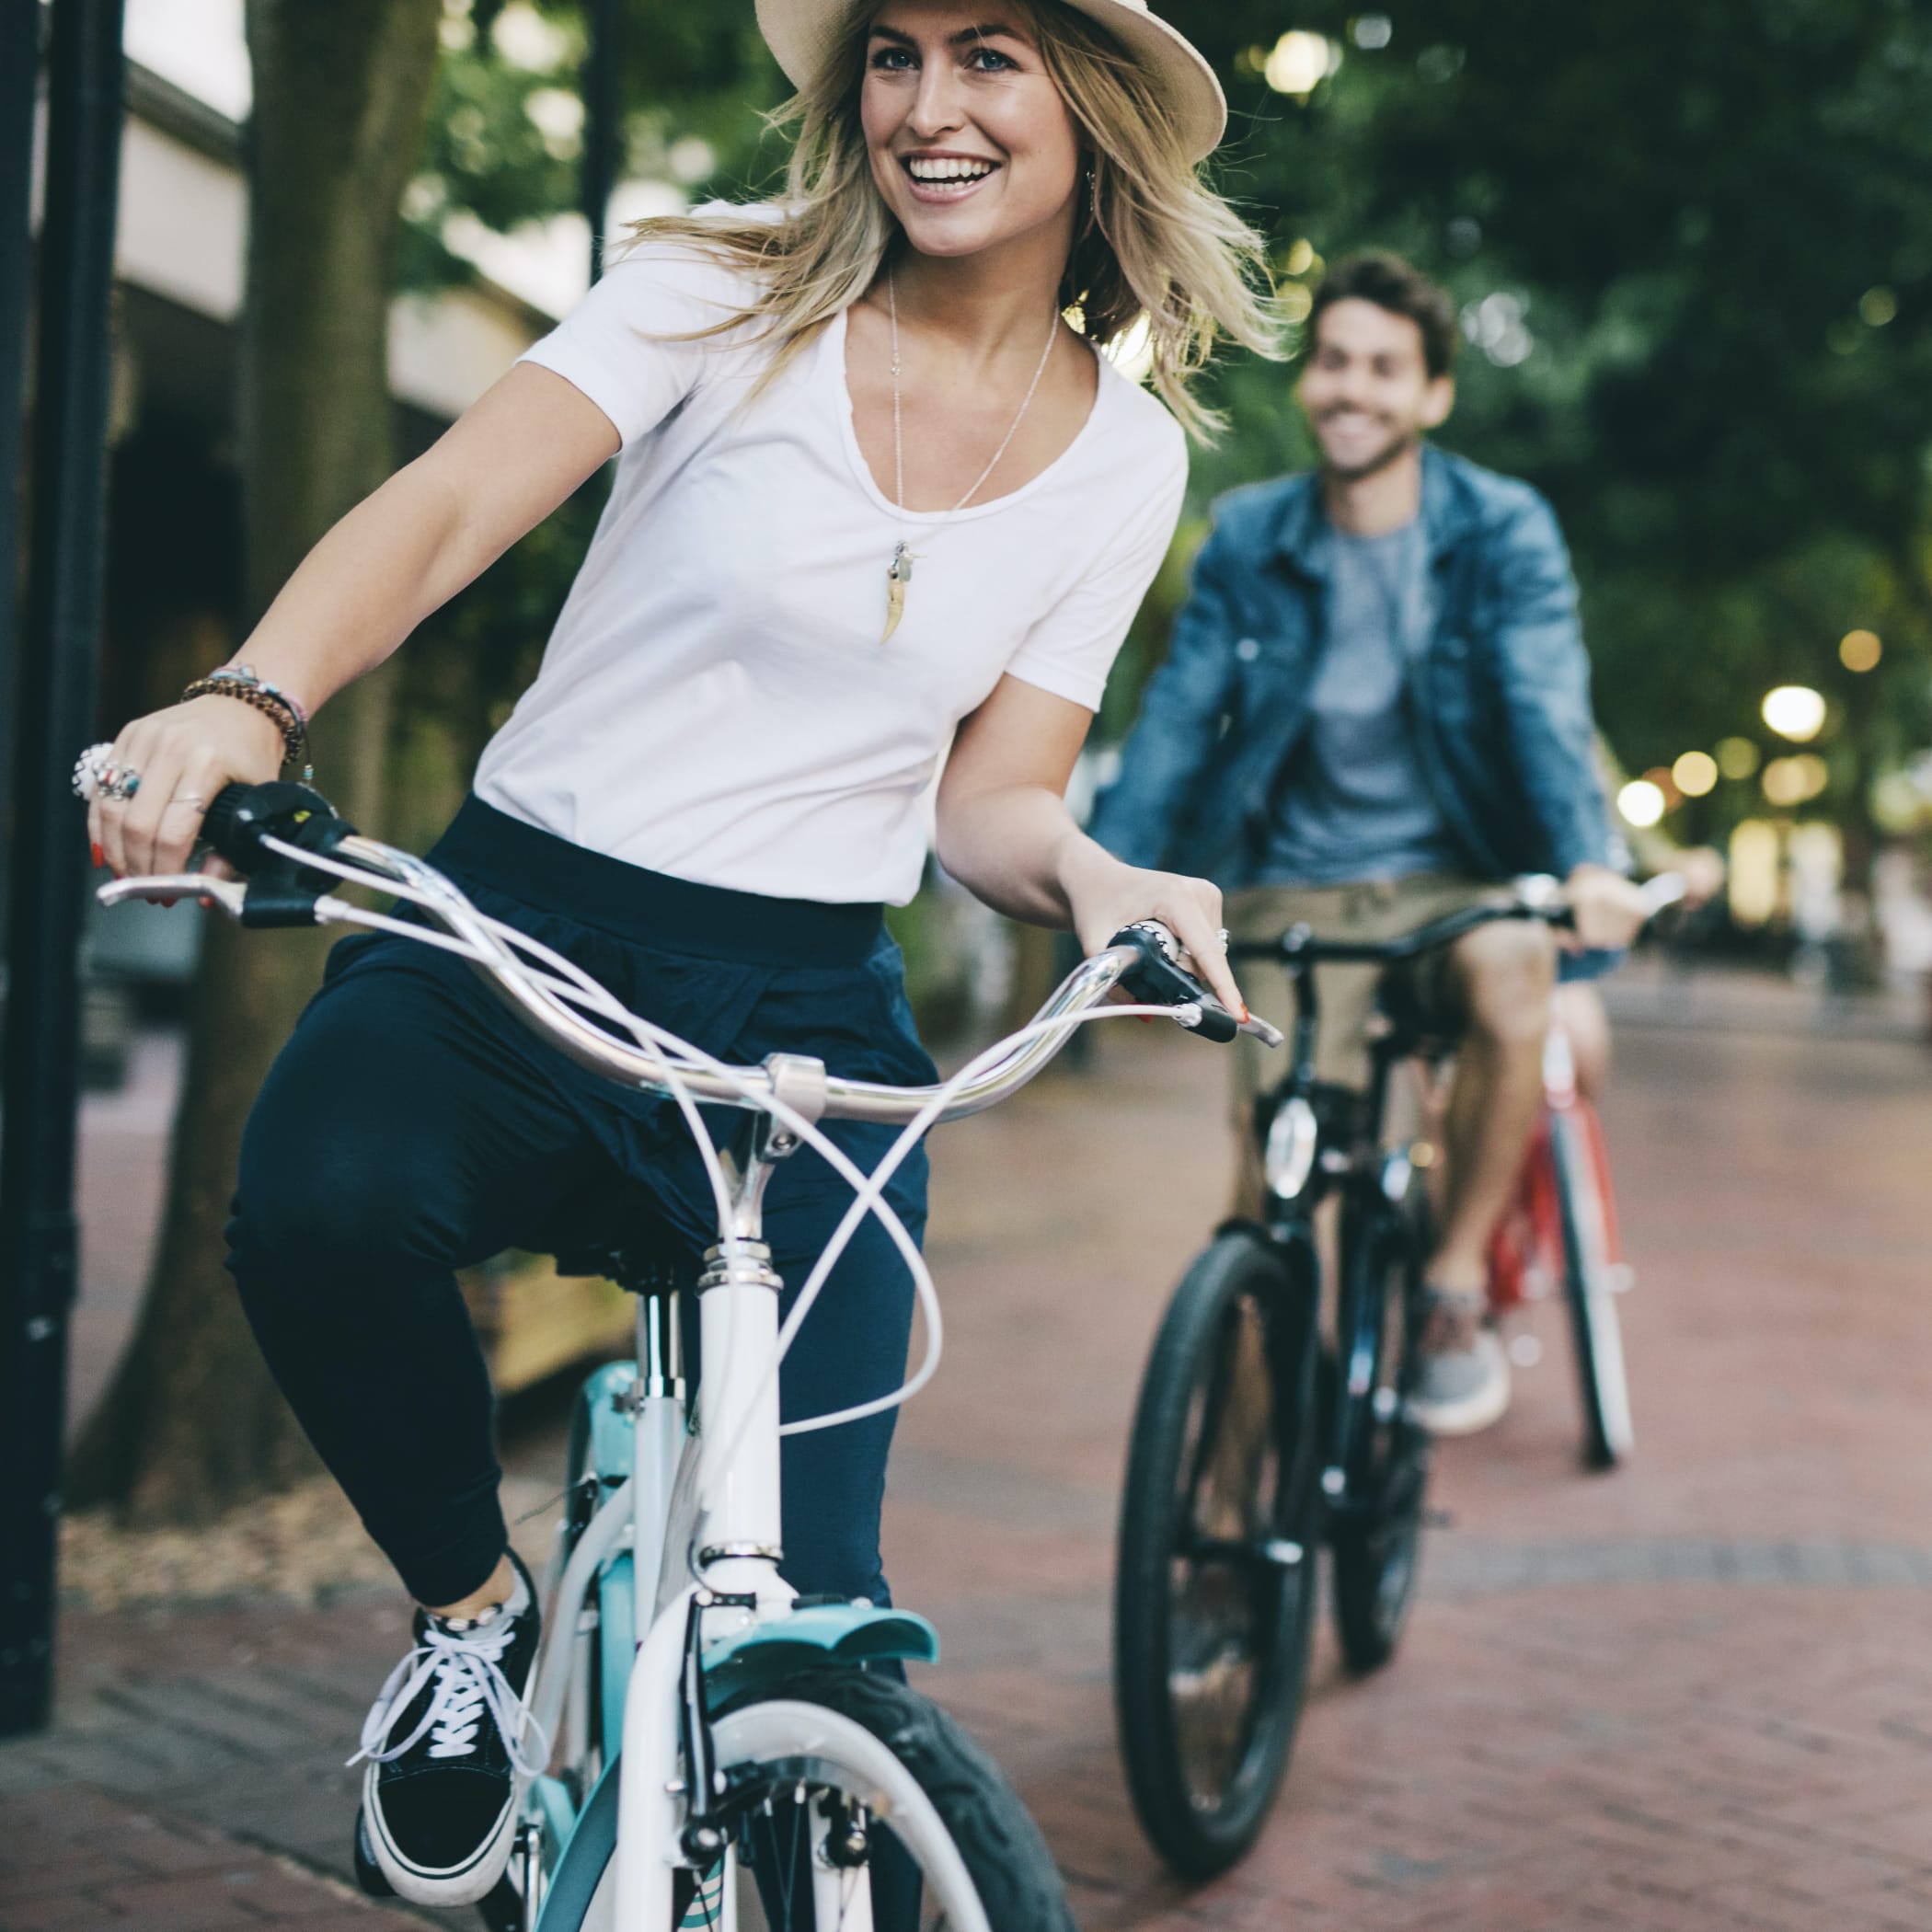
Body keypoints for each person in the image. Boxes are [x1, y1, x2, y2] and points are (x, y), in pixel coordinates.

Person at [84, 0, 1274, 1906]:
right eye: (894, 55)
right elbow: (456, 502)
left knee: (822, 1605)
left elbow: (994, 801)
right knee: (316, 1206)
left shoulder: (1123, 458)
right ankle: (472, 1619)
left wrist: (1101, 876)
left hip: (808, 1010)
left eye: (990, 58)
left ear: (1094, 107)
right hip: (523, 925)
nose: (928, 106)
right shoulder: (724, 289)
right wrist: (250, 699)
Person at [1090, 250, 1650, 1439]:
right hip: (1295, 893)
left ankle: (1450, 1283)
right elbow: (1182, 716)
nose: (1354, 389)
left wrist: (1588, 865)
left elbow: (1544, 703)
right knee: (1268, 1209)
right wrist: (1111, 878)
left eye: (1386, 369)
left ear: (1433, 394)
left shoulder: (1499, 530)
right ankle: (1234, 1551)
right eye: (1335, 362)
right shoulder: (1250, 536)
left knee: (1517, 976)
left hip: (1455, 888)